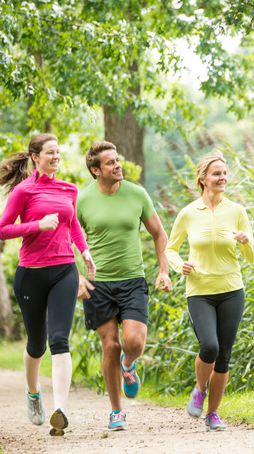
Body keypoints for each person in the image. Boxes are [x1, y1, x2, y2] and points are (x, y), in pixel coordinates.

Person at [0, 133, 96, 437]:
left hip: (64, 270)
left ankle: (60, 410)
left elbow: (72, 224)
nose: (56, 157)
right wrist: (36, 225)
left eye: (58, 152)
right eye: (49, 152)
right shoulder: (24, 192)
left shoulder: (69, 189)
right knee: (37, 345)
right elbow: (3, 230)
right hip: (31, 274)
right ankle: (33, 392)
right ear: (35, 158)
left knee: (60, 340)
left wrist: (85, 251)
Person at [77, 141, 172, 431]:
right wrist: (77, 276)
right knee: (110, 344)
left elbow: (159, 233)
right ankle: (116, 411)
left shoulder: (137, 194)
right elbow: (67, 238)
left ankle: (128, 365)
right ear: (96, 170)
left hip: (132, 280)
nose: (118, 165)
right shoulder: (82, 200)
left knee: (134, 343)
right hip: (98, 283)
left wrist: (163, 270)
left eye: (117, 160)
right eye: (110, 163)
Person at [165, 152, 254, 431]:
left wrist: (245, 240)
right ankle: (199, 389)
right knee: (210, 346)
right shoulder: (188, 213)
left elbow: (252, 257)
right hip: (200, 292)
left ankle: (212, 414)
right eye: (216, 173)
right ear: (203, 178)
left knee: (225, 354)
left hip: (231, 289)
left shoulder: (237, 211)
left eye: (225, 173)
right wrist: (180, 264)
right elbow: (171, 248)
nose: (222, 178)